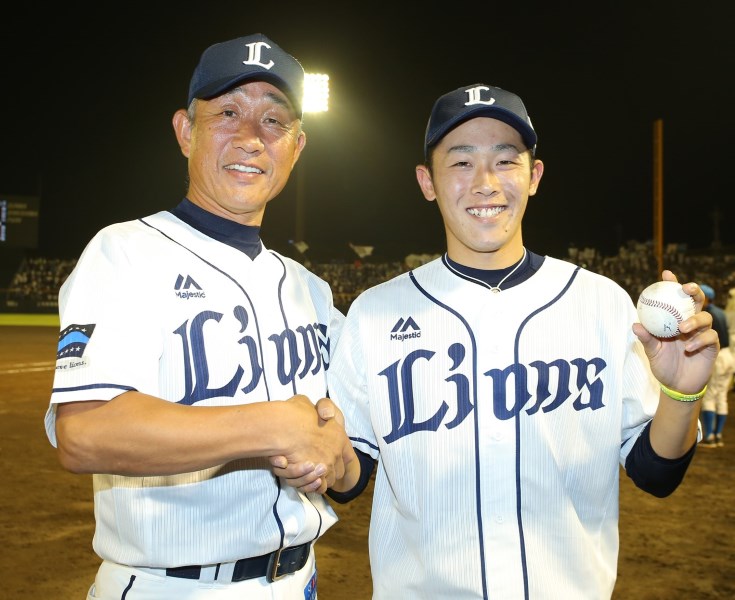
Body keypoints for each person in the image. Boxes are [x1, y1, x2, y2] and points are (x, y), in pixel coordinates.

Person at [273, 83, 718, 599]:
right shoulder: (375, 312)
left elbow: (653, 472)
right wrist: (319, 455)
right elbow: (352, 480)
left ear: (535, 176)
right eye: (461, 163)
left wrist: (682, 394)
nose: (485, 182)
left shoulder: (602, 302)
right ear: (427, 182)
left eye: (506, 161)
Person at [44, 33, 355, 600]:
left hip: (300, 580)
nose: (250, 138)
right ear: (186, 132)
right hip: (174, 587)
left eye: (273, 121)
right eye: (228, 113)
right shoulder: (126, 252)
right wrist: (271, 426)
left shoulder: (309, 287)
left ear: (297, 147)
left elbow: (342, 456)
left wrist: (335, 462)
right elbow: (85, 433)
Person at [698, 284, 735, 447]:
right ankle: (718, 435)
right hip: (729, 356)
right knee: (721, 397)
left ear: (707, 298)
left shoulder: (708, 314)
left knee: (710, 397)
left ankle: (710, 436)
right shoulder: (720, 312)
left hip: (718, 357)